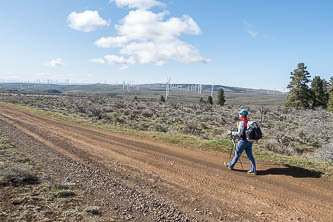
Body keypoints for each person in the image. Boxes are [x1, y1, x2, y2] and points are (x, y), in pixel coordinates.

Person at [224, 109, 257, 175]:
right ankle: (253, 170)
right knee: (250, 155)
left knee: (237, 154)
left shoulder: (242, 122)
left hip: (242, 141)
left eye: (240, 114)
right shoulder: (248, 122)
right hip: (249, 141)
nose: (239, 115)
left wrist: (231, 133)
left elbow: (239, 133)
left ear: (243, 115)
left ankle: (231, 165)